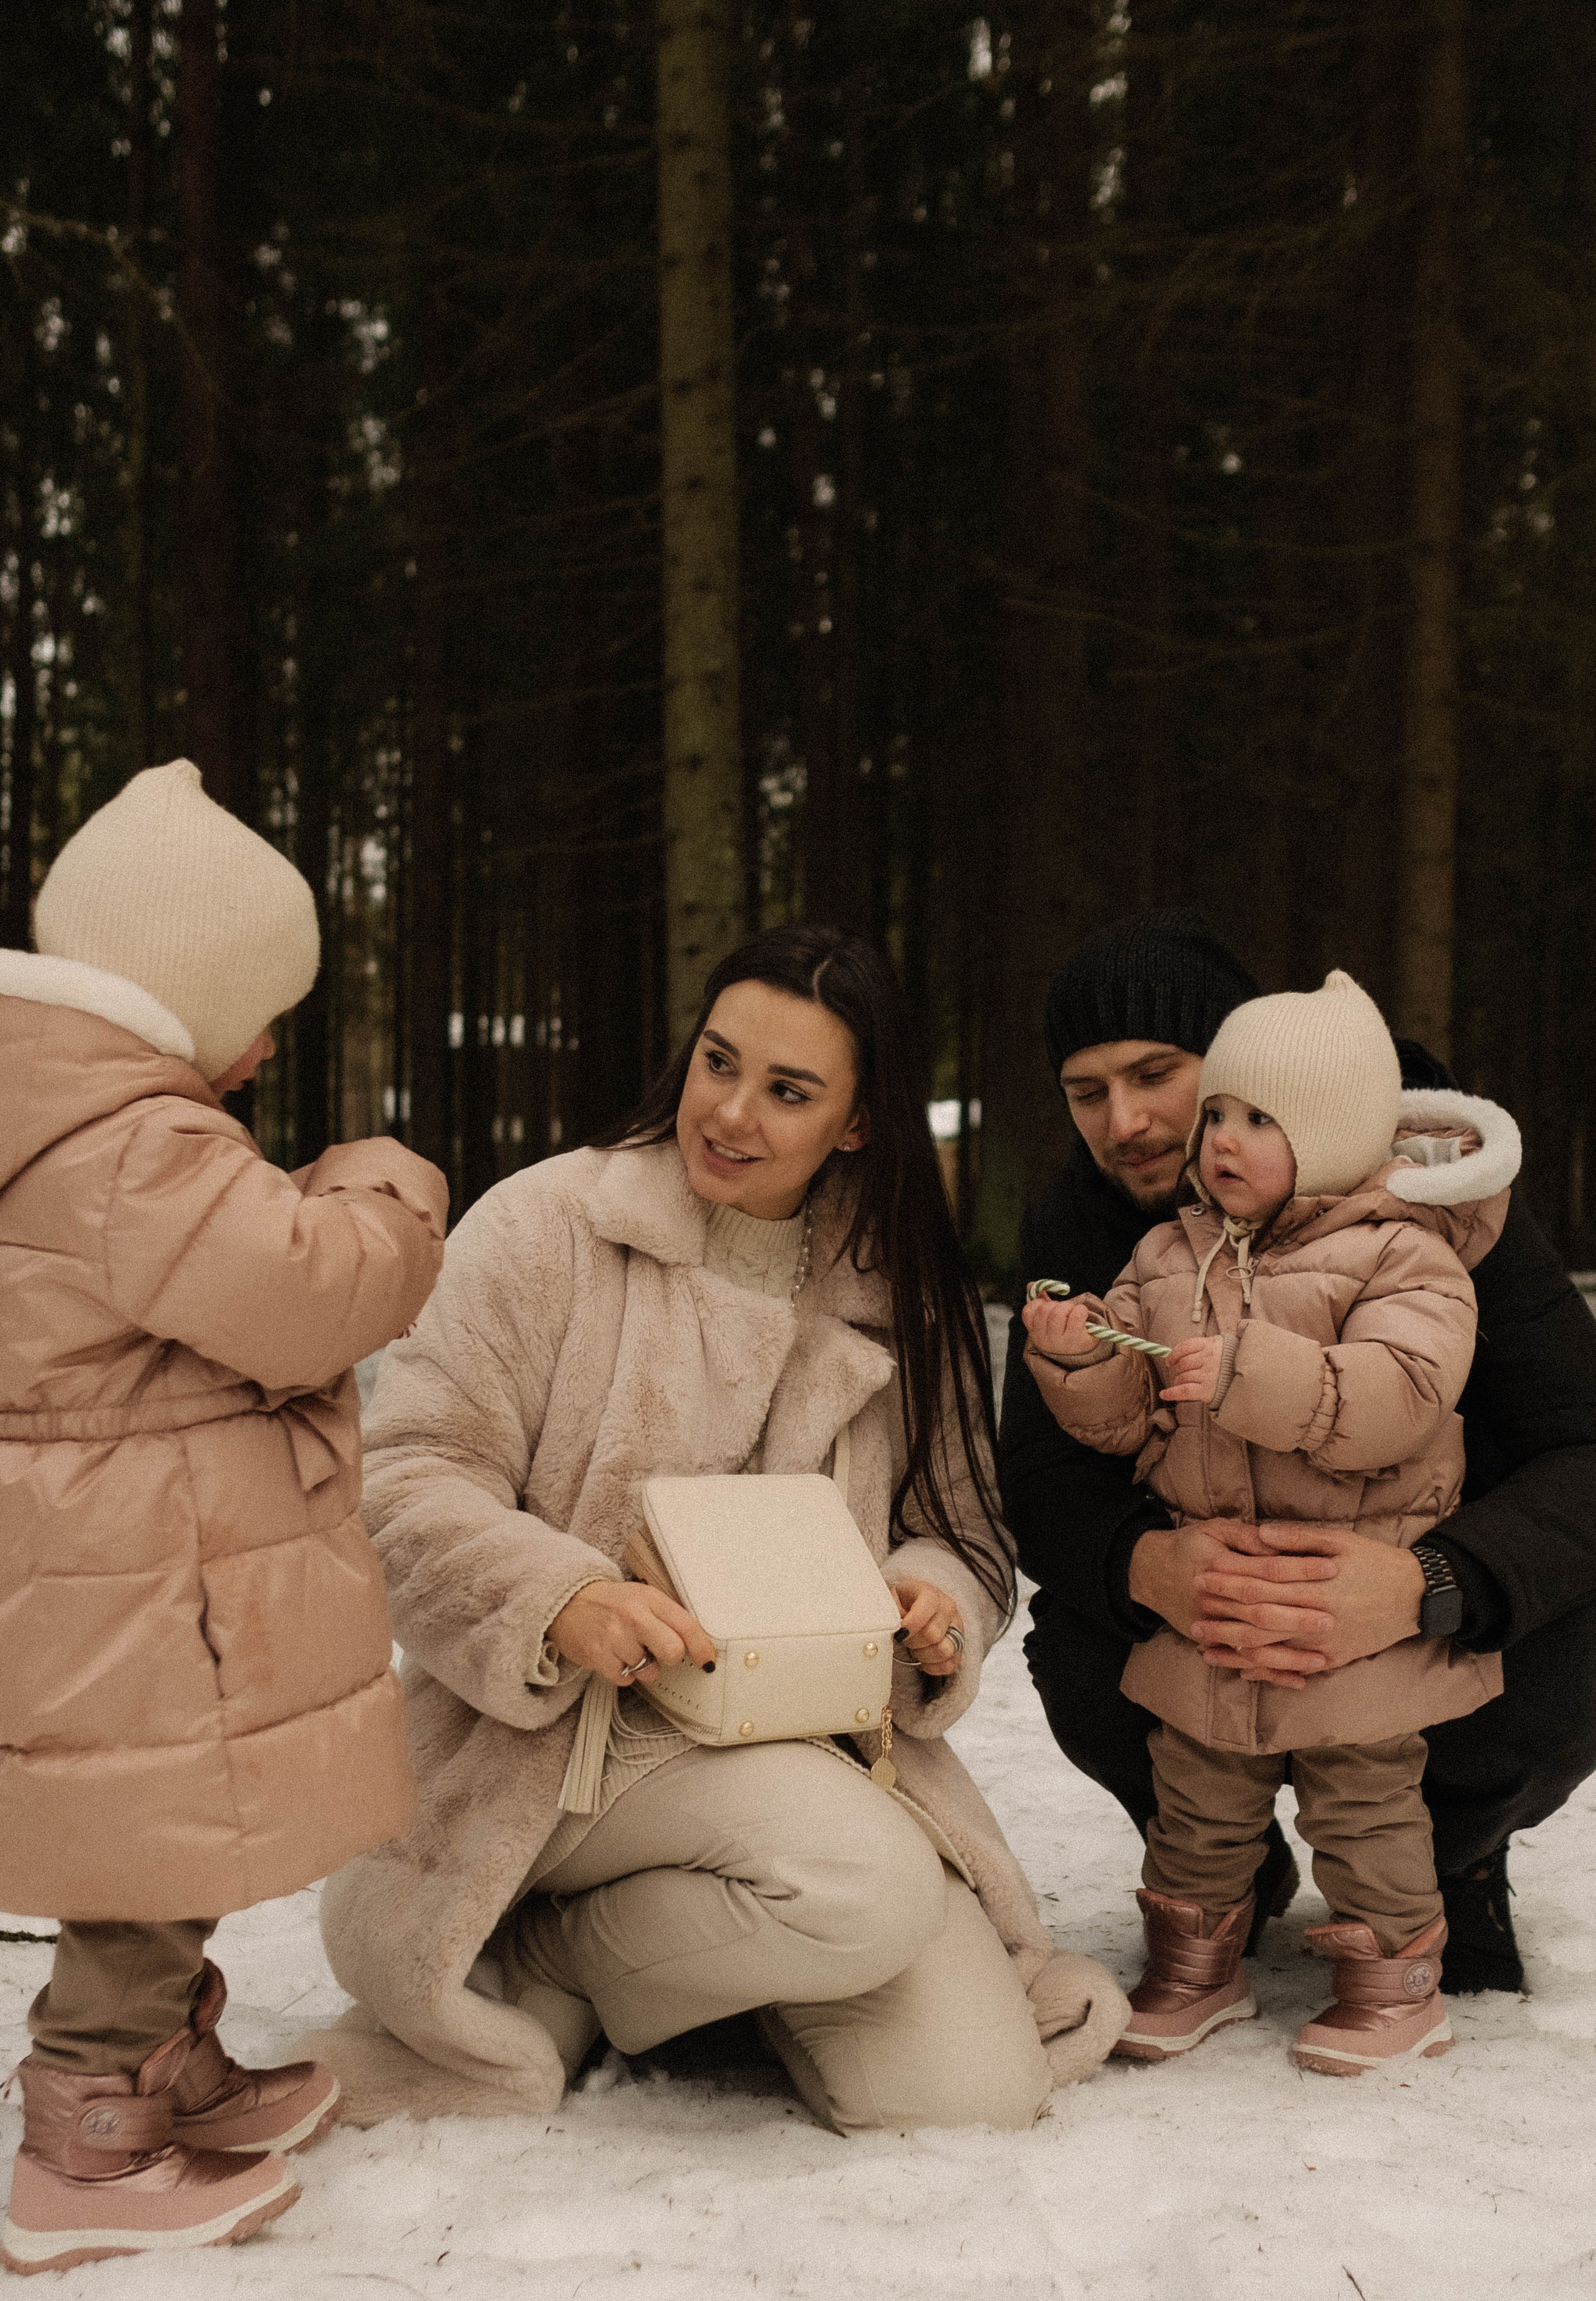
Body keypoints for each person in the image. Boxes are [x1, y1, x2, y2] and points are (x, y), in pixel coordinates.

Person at [320, 925, 1128, 2136]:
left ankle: (702, 1961)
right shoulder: (545, 1226)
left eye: (788, 1091)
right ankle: (549, 1948)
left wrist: (930, 1605)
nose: (731, 1111)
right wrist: (559, 1598)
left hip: (804, 1745)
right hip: (560, 1744)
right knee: (864, 1887)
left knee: (966, 2093)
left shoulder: (900, 1287)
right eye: (718, 1063)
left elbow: (959, 1529)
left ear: (857, 1123)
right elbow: (403, 1475)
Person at [0, 761, 448, 2274]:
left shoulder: (61, 1113)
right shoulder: (134, 1145)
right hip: (136, 1577)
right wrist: (383, 1181)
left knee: (159, 1833)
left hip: (102, 1563)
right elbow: (312, 1293)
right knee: (146, 1850)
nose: (266, 1050)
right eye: (264, 1013)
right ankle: (86, 2137)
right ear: (178, 995)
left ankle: (161, 2067)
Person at [1000, 908, 1596, 1998]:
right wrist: (1153, 1570)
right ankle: (1222, 1858)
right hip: (1218, 1590)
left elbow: (1583, 1444)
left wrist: (1433, 1584)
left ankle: (1451, 1857)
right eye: (1086, 1091)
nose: (1124, 1121)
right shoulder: (1088, 1221)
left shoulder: (1433, 1200)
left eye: (1156, 1074)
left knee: (1576, 1639)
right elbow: (1041, 1474)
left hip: (1414, 1563)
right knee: (1079, 1643)